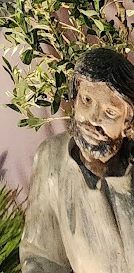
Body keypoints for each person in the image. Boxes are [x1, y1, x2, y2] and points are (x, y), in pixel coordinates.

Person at [20, 47, 134, 272]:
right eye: (87, 100)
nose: (93, 118)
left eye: (110, 112)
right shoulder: (52, 158)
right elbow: (42, 255)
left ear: (128, 124)